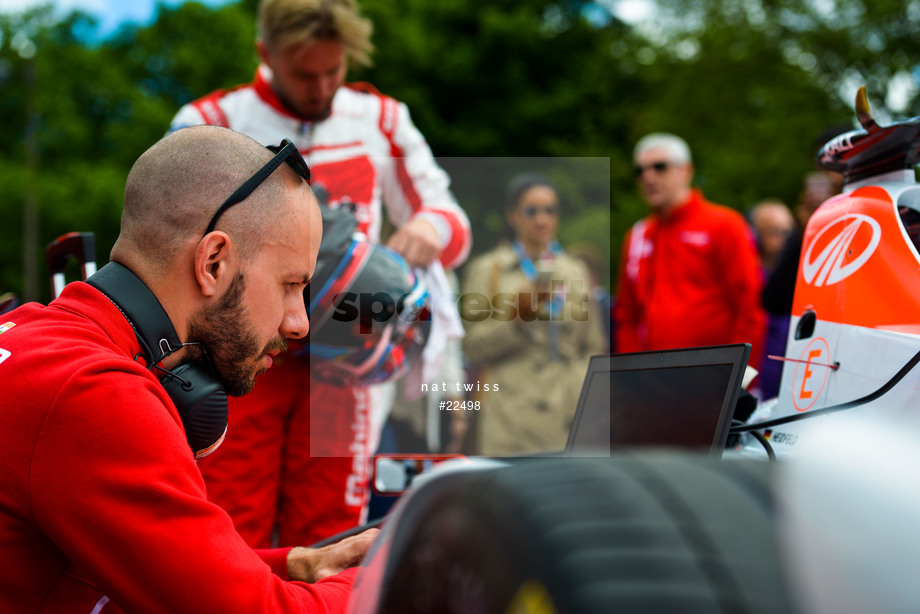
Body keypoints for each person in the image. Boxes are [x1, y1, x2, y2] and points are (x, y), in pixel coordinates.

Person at [0, 125, 377, 613]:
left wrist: (296, 567)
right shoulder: (94, 395)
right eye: (291, 285)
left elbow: (135, 573)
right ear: (214, 262)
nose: (299, 323)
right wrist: (392, 579)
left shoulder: (30, 335)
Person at [169, 0, 471, 548]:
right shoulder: (210, 123)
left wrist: (427, 231)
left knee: (335, 536)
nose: (321, 86)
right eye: (304, 73)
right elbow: (170, 244)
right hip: (240, 364)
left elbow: (451, 219)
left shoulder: (382, 119)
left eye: (334, 70)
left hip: (343, 369)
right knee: (232, 531)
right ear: (265, 54)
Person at [461, 173, 606, 456]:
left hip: (566, 412)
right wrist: (517, 319)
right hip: (509, 416)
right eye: (531, 210)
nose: (542, 219)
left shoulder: (575, 271)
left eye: (550, 210)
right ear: (512, 215)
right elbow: (472, 347)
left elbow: (593, 347)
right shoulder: (489, 269)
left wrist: (581, 396)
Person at [614, 132, 766, 366]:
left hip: (714, 379)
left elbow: (750, 309)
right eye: (640, 171)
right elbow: (626, 316)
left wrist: (737, 379)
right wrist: (632, 374)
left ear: (686, 170)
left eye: (659, 167)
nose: (648, 177)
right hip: (654, 382)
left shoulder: (724, 224)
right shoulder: (637, 235)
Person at [748, 199, 794, 274]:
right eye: (773, 232)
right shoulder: (750, 270)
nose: (782, 238)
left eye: (786, 232)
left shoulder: (794, 267)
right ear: (757, 235)